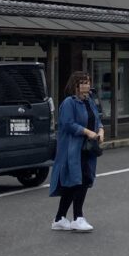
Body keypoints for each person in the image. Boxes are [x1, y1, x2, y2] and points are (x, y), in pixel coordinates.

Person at [49, 71, 103, 232]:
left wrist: (100, 131)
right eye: (83, 82)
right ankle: (78, 217)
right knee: (78, 181)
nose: (87, 85)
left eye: (88, 82)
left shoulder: (89, 101)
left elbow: (97, 119)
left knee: (76, 182)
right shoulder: (69, 103)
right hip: (73, 149)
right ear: (75, 85)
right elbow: (67, 124)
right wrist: (87, 132)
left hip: (87, 148)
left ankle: (59, 218)